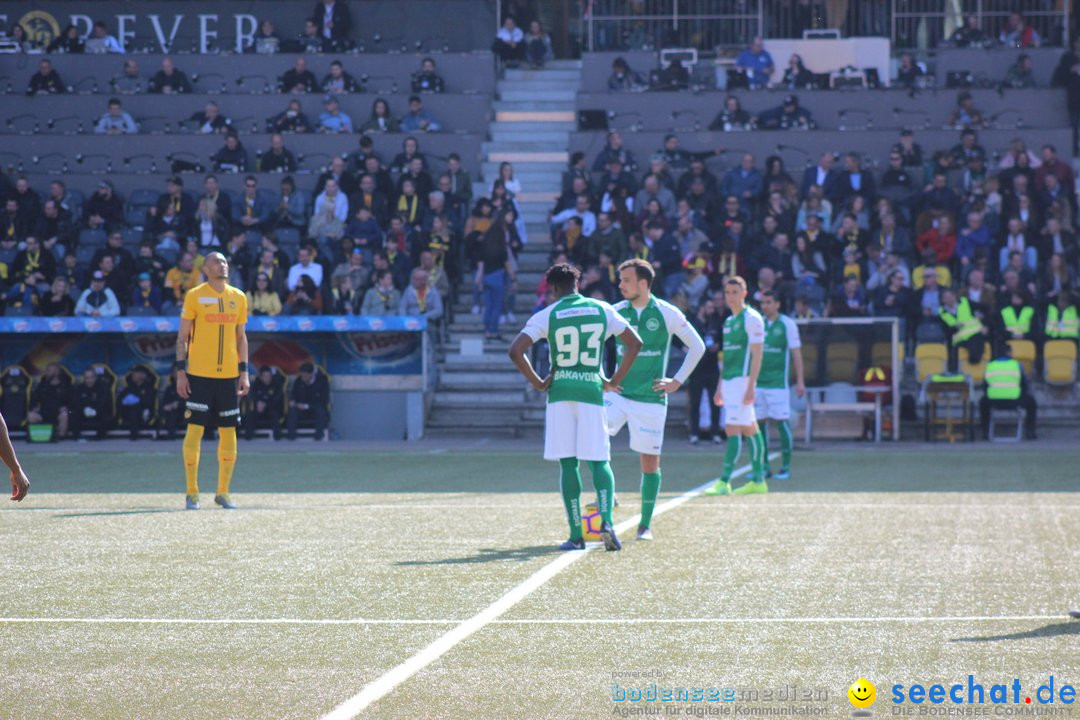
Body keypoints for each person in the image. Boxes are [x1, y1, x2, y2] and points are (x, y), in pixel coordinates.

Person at [508, 263, 643, 551]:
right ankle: (606, 520)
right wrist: (613, 379)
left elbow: (515, 350)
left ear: (554, 289)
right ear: (577, 285)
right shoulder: (601, 309)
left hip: (560, 394)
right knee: (599, 460)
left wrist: (539, 382)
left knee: (568, 463)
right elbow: (635, 343)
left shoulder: (548, 314)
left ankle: (575, 535)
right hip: (591, 392)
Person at [604, 259, 705, 541]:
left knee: (650, 463)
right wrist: (603, 378)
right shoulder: (615, 311)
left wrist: (677, 381)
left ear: (644, 284)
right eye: (620, 279)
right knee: (593, 436)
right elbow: (594, 343)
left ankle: (644, 526)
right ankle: (607, 495)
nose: (620, 284)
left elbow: (698, 346)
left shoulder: (666, 312)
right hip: (619, 394)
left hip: (651, 399)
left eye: (626, 280)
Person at [174, 252, 250, 511]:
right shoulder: (195, 295)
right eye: (217, 262)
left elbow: (241, 337)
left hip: (228, 376)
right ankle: (192, 492)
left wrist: (244, 372)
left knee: (229, 432)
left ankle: (223, 492)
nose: (223, 265)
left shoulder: (238, 297)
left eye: (226, 261)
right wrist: (181, 372)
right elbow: (182, 338)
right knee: (195, 430)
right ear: (206, 268)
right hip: (199, 375)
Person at [704, 276, 766, 496]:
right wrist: (720, 387)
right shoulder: (729, 322)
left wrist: (752, 385)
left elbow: (758, 354)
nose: (731, 296)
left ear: (744, 293)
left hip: (742, 381)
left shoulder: (752, 318)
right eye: (727, 292)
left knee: (732, 428)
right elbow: (728, 358)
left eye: (735, 292)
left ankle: (724, 481)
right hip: (730, 381)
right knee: (750, 428)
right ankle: (758, 481)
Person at [754, 290, 805, 481]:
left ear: (777, 304)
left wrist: (800, 381)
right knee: (759, 426)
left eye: (768, 302)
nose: (764, 306)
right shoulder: (757, 323)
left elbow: (796, 354)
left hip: (777, 385)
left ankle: (785, 467)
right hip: (758, 384)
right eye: (763, 302)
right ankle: (764, 467)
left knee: (782, 424)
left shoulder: (787, 324)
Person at [979, 344, 1037, 440]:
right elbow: (1024, 384)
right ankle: (1030, 432)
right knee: (1032, 402)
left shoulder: (990, 366)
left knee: (982, 402)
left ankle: (985, 432)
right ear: (1009, 353)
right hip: (1014, 401)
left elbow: (984, 386)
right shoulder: (1017, 365)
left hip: (994, 401)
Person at [286, 363, 330, 440]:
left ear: (312, 374)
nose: (303, 378)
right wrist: (292, 401)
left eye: (305, 376)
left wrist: (307, 406)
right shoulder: (298, 381)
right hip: (300, 408)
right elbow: (293, 395)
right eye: (302, 375)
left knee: (321, 411)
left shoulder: (322, 381)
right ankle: (291, 437)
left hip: (315, 407)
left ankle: (318, 437)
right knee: (292, 411)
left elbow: (324, 401)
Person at [28, 363, 71, 441]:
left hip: (58, 413)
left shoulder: (66, 385)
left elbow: (72, 402)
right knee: (31, 415)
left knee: (65, 415)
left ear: (57, 372)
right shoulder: (42, 385)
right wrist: (34, 408)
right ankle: (36, 437)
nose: (46, 372)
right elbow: (34, 399)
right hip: (44, 413)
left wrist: (66, 408)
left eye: (49, 370)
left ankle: (60, 437)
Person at [71, 368, 114, 440]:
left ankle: (98, 437)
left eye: (91, 377)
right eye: (87, 378)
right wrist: (84, 410)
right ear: (84, 378)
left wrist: (95, 410)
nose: (89, 380)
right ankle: (77, 437)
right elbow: (76, 402)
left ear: (95, 377)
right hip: (84, 414)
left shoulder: (104, 387)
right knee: (72, 413)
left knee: (108, 417)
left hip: (99, 414)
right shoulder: (79, 388)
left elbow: (105, 402)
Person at [118, 366, 156, 440]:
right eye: (133, 373)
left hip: (144, 414)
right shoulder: (129, 387)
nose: (133, 374)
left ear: (143, 375)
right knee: (132, 409)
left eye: (136, 373)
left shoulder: (149, 388)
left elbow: (149, 402)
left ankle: (133, 435)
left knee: (135, 409)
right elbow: (120, 401)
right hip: (127, 414)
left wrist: (138, 400)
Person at [245, 366, 283, 440]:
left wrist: (265, 404)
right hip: (258, 407)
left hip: (271, 407)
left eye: (269, 376)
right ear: (261, 377)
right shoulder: (255, 384)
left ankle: (278, 437)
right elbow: (252, 396)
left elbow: (277, 399)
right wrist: (258, 404)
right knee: (250, 415)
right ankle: (248, 437)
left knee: (274, 414)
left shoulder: (276, 384)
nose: (267, 378)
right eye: (265, 376)